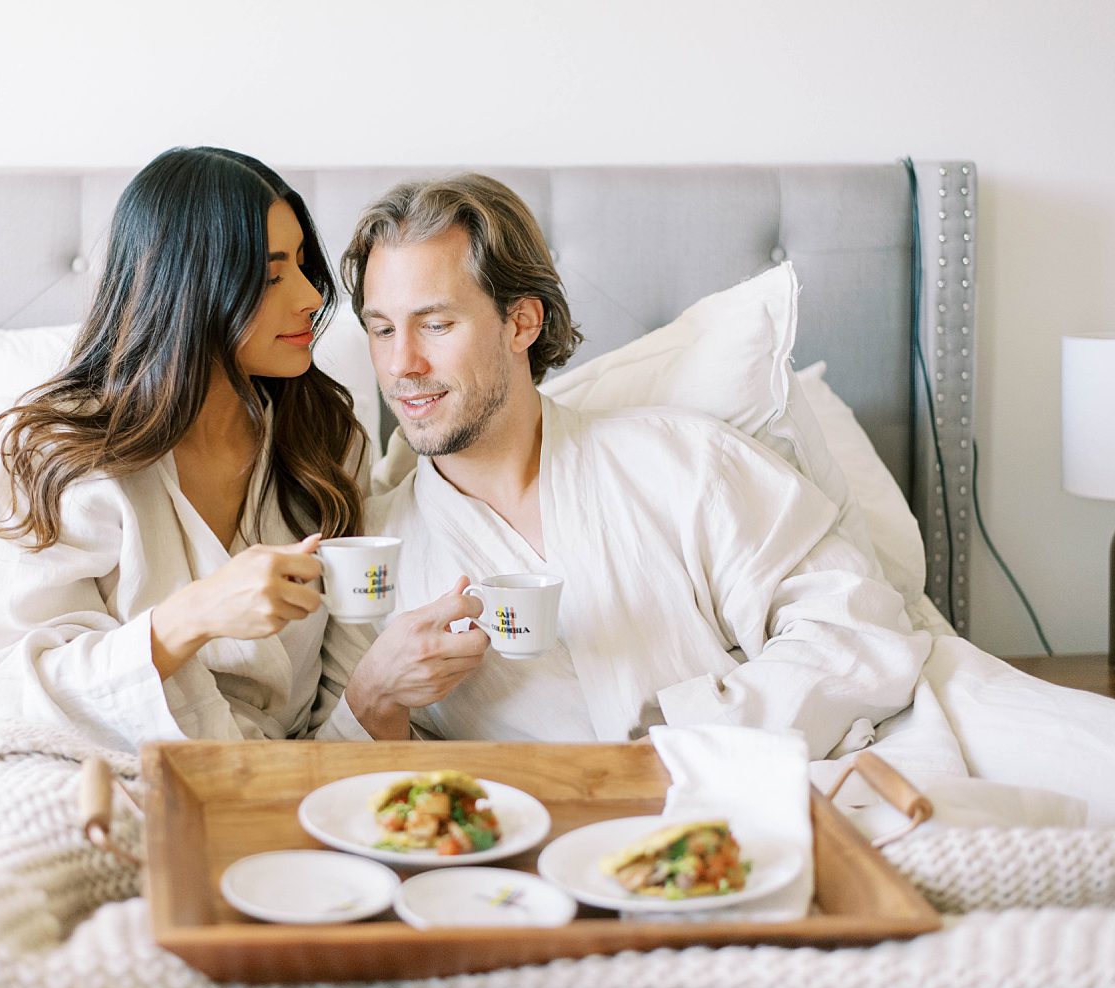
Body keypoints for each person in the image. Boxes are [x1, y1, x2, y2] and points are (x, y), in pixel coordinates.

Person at [330, 173, 932, 754]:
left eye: (434, 325)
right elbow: (337, 779)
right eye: (381, 331)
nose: (401, 364)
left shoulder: (684, 463)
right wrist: (375, 699)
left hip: (723, 809)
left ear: (521, 322)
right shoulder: (371, 553)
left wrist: (683, 745)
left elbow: (859, 627)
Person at [0, 147, 476, 753]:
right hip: (80, 771)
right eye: (272, 274)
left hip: (279, 781)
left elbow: (336, 713)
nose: (311, 297)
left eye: (304, 265)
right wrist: (192, 616)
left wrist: (381, 695)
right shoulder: (54, 455)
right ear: (190, 286)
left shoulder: (326, 442)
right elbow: (9, 695)